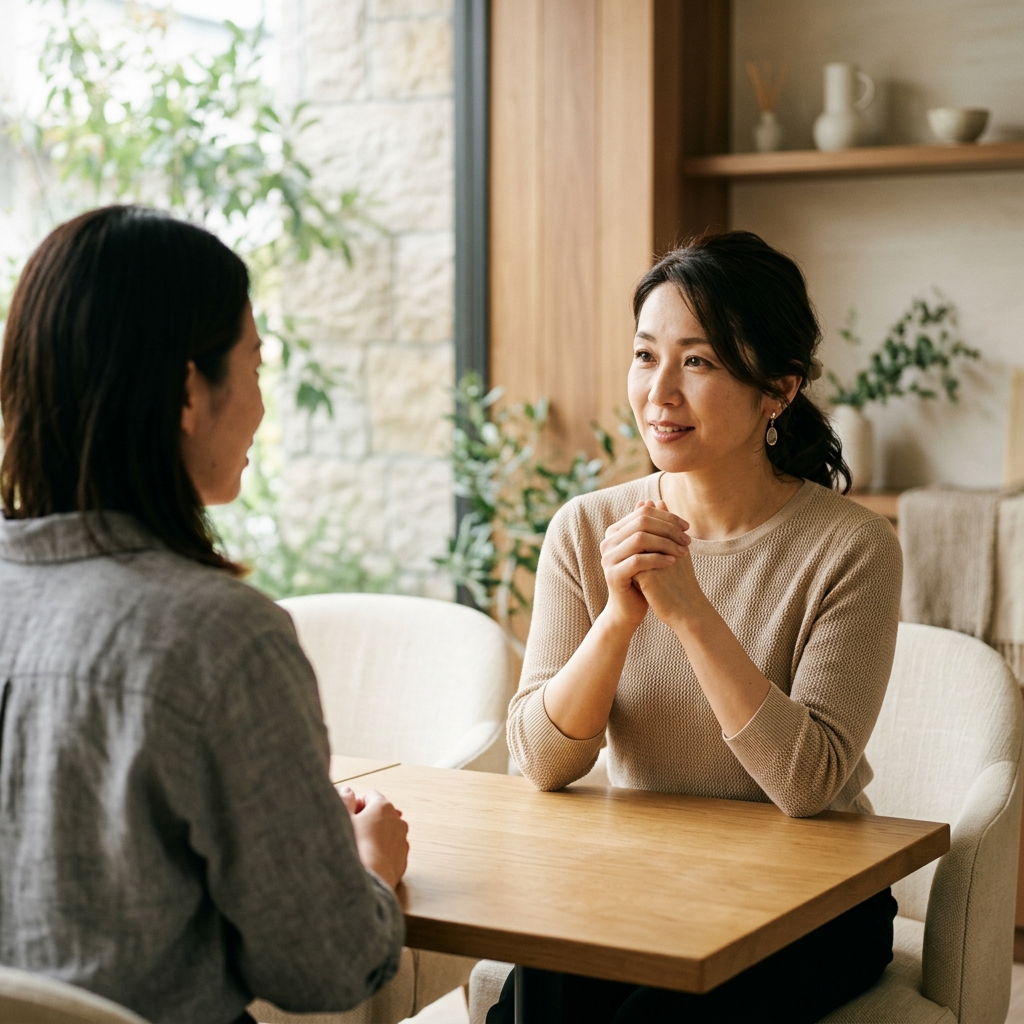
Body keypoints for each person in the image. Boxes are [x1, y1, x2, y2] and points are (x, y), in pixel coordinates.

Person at [0, 206, 409, 1024]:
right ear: (190, 390)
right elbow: (323, 969)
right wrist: (366, 870)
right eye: (254, 364)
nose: (261, 402)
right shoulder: (220, 634)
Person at [495, 231, 903, 1024]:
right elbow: (539, 761)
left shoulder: (852, 548)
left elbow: (808, 782)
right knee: (536, 1000)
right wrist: (620, 616)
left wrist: (685, 608)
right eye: (647, 356)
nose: (659, 393)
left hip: (812, 900)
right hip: (646, 880)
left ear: (778, 390)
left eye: (699, 362)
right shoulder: (586, 529)